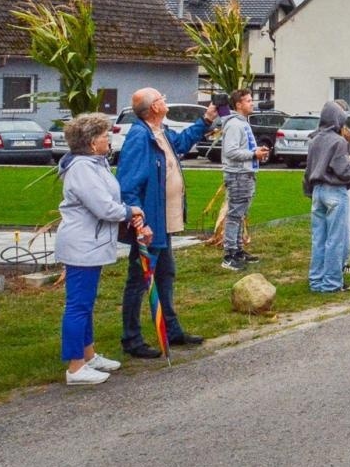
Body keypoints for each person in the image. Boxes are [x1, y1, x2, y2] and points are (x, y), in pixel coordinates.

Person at [116, 88, 216, 358]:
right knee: (139, 280)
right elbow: (128, 184)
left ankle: (171, 329)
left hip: (166, 221)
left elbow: (182, 143)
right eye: (161, 98)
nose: (165, 100)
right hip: (150, 224)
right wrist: (138, 220)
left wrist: (205, 120)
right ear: (153, 108)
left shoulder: (161, 132)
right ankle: (131, 338)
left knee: (165, 274)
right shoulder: (140, 137)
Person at [54, 112, 148, 386]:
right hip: (82, 244)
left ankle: (88, 354)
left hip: (91, 243)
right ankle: (75, 367)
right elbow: (103, 206)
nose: (109, 140)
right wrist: (130, 211)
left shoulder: (95, 164)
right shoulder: (83, 168)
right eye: (105, 136)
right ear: (93, 142)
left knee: (85, 303)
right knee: (78, 305)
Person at [304, 100, 350, 293]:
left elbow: (308, 169)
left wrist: (309, 190)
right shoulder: (338, 142)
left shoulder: (315, 140)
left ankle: (316, 281)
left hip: (317, 191)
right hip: (335, 191)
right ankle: (332, 283)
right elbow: (342, 170)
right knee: (335, 239)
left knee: (319, 238)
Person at [219, 87, 270, 271]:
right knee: (235, 214)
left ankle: (238, 249)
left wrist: (257, 154)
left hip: (246, 174)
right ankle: (229, 253)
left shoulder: (243, 123)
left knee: (241, 213)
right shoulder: (234, 125)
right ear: (238, 104)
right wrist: (252, 154)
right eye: (248, 100)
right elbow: (231, 151)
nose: (252, 103)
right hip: (238, 175)